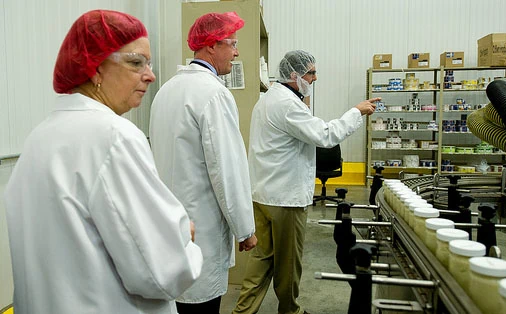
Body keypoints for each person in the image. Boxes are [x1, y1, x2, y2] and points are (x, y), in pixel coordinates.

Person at [4, 10, 204, 314]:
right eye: (136, 62)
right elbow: (161, 273)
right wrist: (183, 241)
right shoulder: (113, 136)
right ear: (94, 67)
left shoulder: (39, 138)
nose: (150, 75)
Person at [232, 50, 380, 314]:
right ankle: (291, 311)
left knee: (262, 258)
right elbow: (325, 135)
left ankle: (243, 311)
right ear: (294, 75)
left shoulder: (269, 99)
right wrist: (356, 112)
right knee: (288, 262)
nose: (314, 77)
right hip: (284, 198)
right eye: (310, 73)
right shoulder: (287, 105)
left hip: (263, 193)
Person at [149, 11, 257, 313]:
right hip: (203, 228)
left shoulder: (166, 91)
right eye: (232, 44)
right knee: (201, 305)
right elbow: (228, 171)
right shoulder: (213, 94)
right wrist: (245, 229)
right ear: (211, 45)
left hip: (169, 226)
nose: (236, 53)